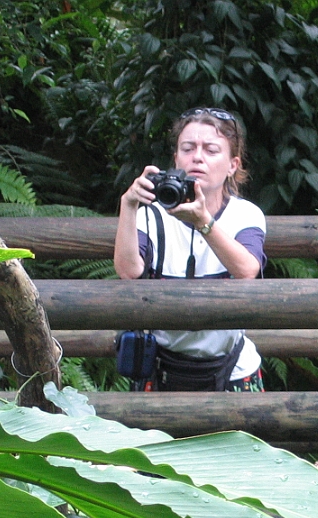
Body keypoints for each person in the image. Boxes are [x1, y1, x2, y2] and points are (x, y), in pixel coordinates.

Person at [113, 107, 266, 392]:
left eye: (210, 150)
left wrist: (203, 222)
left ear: (233, 164)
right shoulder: (152, 214)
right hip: (161, 368)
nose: (197, 157)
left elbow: (246, 270)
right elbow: (128, 271)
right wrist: (129, 205)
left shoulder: (246, 214)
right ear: (176, 159)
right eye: (188, 148)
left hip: (232, 370)